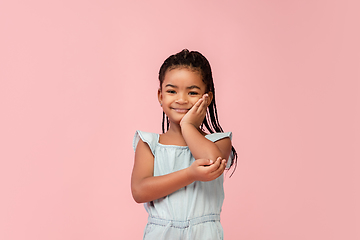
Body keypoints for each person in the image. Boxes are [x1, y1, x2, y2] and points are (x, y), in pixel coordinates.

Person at [131, 49, 237, 240]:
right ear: (160, 96)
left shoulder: (219, 141)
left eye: (193, 92)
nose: (181, 99)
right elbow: (139, 191)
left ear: (207, 98)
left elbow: (211, 163)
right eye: (172, 91)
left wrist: (188, 126)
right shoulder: (150, 144)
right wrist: (190, 174)